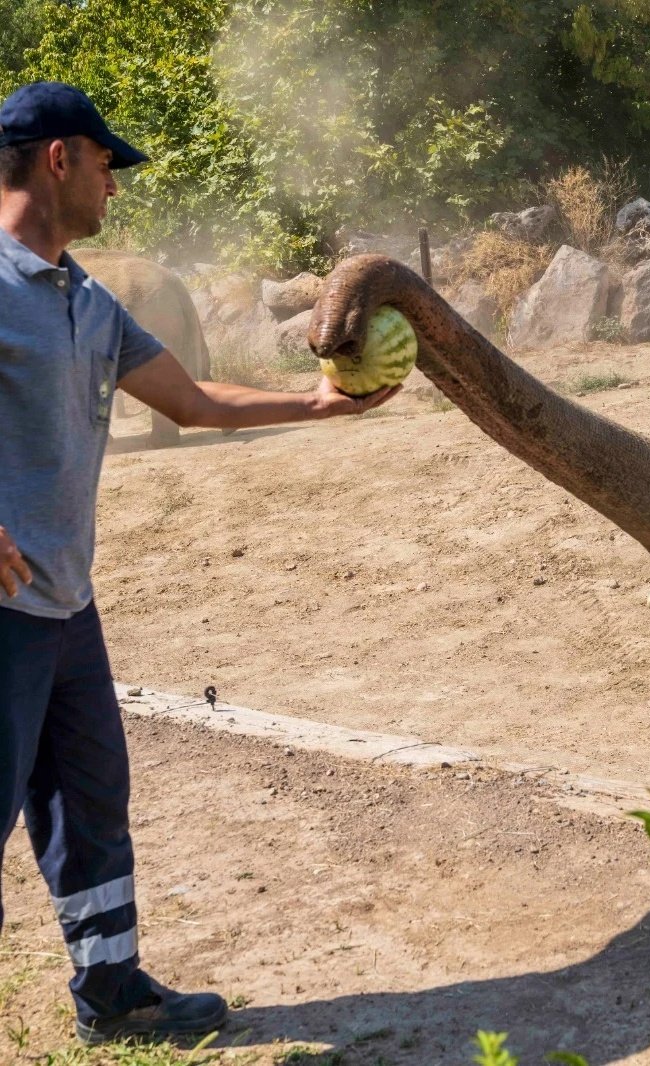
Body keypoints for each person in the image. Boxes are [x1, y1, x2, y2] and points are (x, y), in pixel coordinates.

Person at [0, 82, 398, 1045]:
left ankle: (113, 993)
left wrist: (317, 406)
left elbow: (192, 402)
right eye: (106, 163)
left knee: (93, 804)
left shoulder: (86, 301)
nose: (115, 186)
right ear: (61, 158)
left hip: (65, 606)